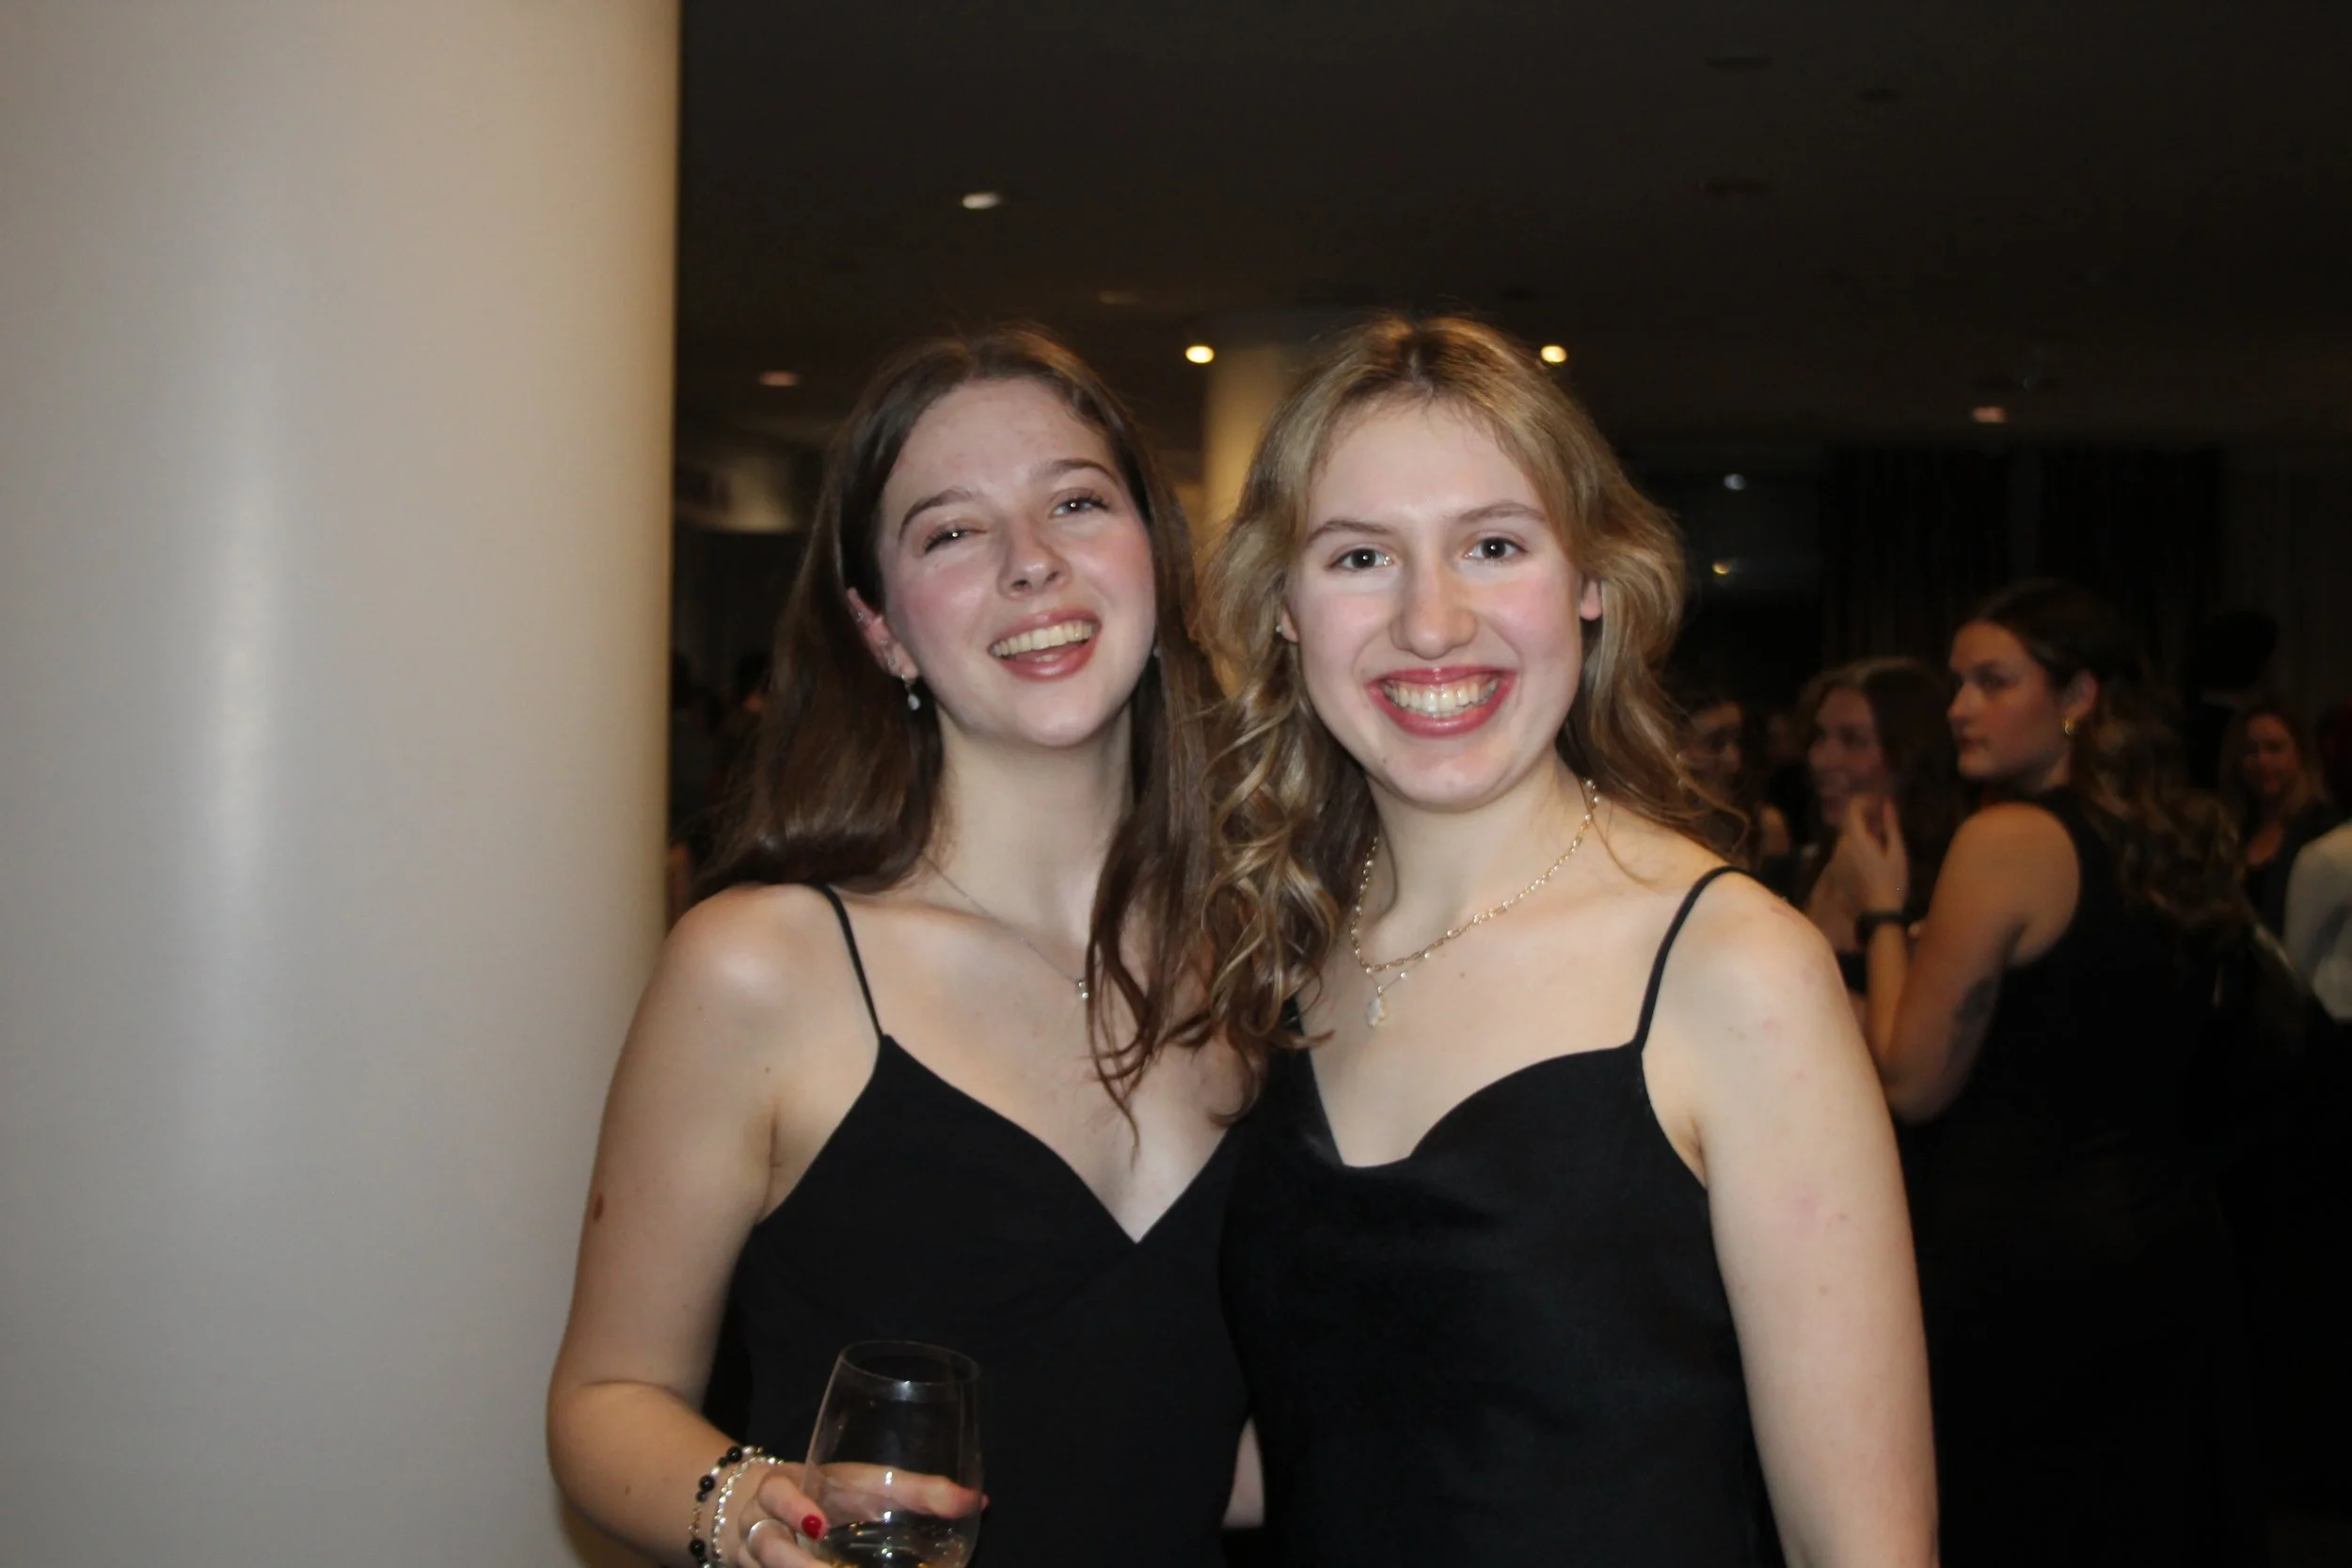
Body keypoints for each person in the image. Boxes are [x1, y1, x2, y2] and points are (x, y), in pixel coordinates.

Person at [1201, 316, 1934, 1566]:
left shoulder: (1733, 970)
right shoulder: (1274, 952)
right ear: (1282, 608)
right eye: (1361, 555)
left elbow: (1864, 1546)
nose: (1432, 621)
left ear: (1591, 580)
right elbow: (1332, 1436)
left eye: (1493, 545)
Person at [548, 328, 1254, 1568]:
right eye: (952, 532)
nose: (1031, 560)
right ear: (879, 629)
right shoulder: (766, 965)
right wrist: (754, 1510)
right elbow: (607, 1396)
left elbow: (1217, 1437)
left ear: (1154, 551)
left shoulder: (1269, 948)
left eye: (1076, 502)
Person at [1830, 579, 2266, 1566]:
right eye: (1957, 683)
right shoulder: (2172, 834)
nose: (1959, 708)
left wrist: (1882, 909)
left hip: (2028, 1267)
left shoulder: (2009, 838)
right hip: (2166, 1244)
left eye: (1993, 681)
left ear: (2077, 697)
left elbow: (1911, 1080)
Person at [1792, 657, 1965, 1017]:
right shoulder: (1812, 865)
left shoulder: (1946, 889)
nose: (1822, 759)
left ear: (1910, 757)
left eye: (1853, 741)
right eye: (1820, 736)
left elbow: (1906, 1042)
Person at [2220, 696, 2339, 936]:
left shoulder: (2324, 828)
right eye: (2250, 750)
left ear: (2300, 754)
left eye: (2274, 748)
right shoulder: (2230, 828)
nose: (2262, 761)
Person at [1668, 668, 1793, 886]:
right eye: (1714, 743)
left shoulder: (1763, 828)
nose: (1734, 759)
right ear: (1671, 748)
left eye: (1737, 740)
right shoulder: (1643, 832)